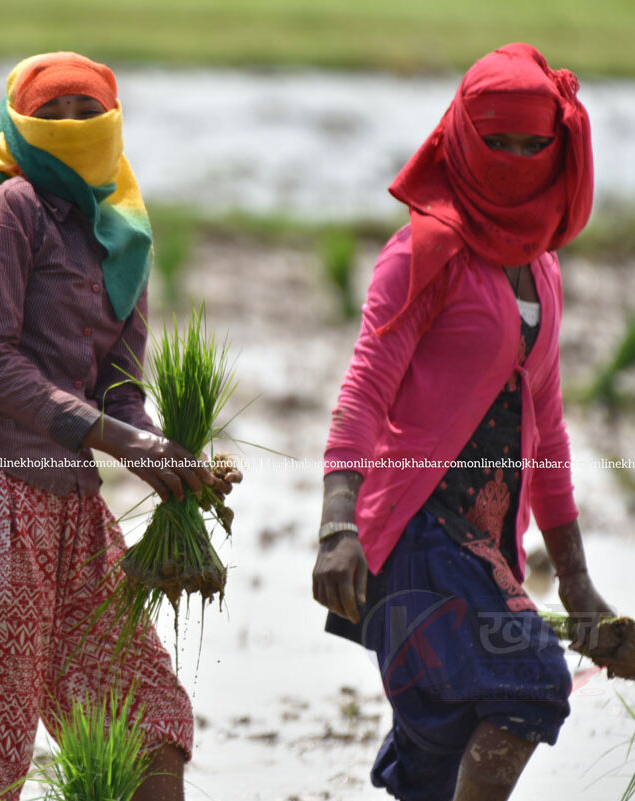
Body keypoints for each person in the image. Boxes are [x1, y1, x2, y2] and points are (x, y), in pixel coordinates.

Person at [0, 51, 240, 801]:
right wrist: (125, 441)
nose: (68, 128)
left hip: (71, 507)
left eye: (84, 113)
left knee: (152, 721)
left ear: (112, 124)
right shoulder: (8, 212)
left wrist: (167, 459)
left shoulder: (121, 237)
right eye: (49, 115)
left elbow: (122, 396)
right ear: (18, 127)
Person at [311, 43, 615, 801]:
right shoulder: (425, 252)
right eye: (497, 142)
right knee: (531, 681)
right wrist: (334, 526)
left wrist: (578, 587)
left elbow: (547, 429)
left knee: (438, 767)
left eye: (531, 144)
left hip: (486, 550)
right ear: (462, 139)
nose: (514, 160)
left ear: (558, 147)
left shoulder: (541, 267)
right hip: (414, 536)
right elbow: (364, 390)